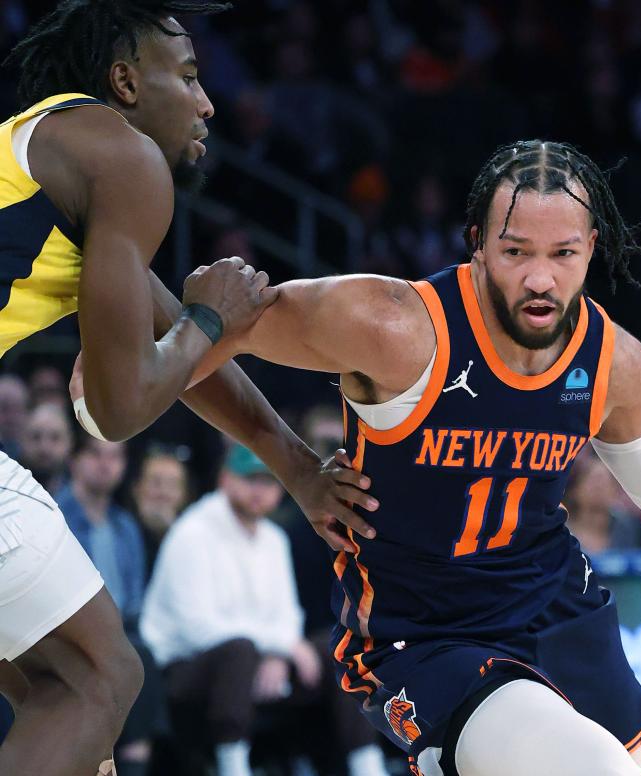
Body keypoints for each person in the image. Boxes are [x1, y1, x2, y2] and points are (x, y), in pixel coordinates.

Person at [191, 139, 641, 776]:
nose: (540, 279)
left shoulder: (614, 361)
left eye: (563, 254)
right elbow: (186, 344)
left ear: (593, 247)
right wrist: (292, 463)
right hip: (429, 630)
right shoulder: (393, 325)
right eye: (515, 252)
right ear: (476, 244)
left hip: (561, 609)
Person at [0, 3, 373, 774]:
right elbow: (119, 406)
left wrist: (299, 467)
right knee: (103, 676)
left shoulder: (51, 146)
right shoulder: (123, 158)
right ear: (126, 81)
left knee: (55, 685)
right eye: (191, 76)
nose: (208, 103)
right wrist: (214, 314)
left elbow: (178, 346)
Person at [141, 445, 388, 776]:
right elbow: (197, 628)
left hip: (253, 661)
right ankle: (234, 766)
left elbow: (288, 616)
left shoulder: (274, 538)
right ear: (226, 479)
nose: (260, 491)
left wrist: (278, 653)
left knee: (337, 650)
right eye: (250, 480)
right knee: (239, 651)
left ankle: (368, 766)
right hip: (182, 669)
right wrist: (278, 647)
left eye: (268, 482)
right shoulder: (192, 532)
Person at [59, 435, 165, 776]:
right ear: (74, 460)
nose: (106, 464)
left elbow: (135, 600)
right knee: (137, 658)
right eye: (95, 454)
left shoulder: (126, 526)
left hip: (121, 634)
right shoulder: (54, 518)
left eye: (115, 456)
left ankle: (135, 754)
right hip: (69, 634)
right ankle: (135, 753)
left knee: (142, 653)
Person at [131, 446, 190, 579]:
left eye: (172, 484)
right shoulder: (120, 533)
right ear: (137, 488)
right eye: (155, 482)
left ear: (184, 495)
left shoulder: (193, 541)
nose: (163, 493)